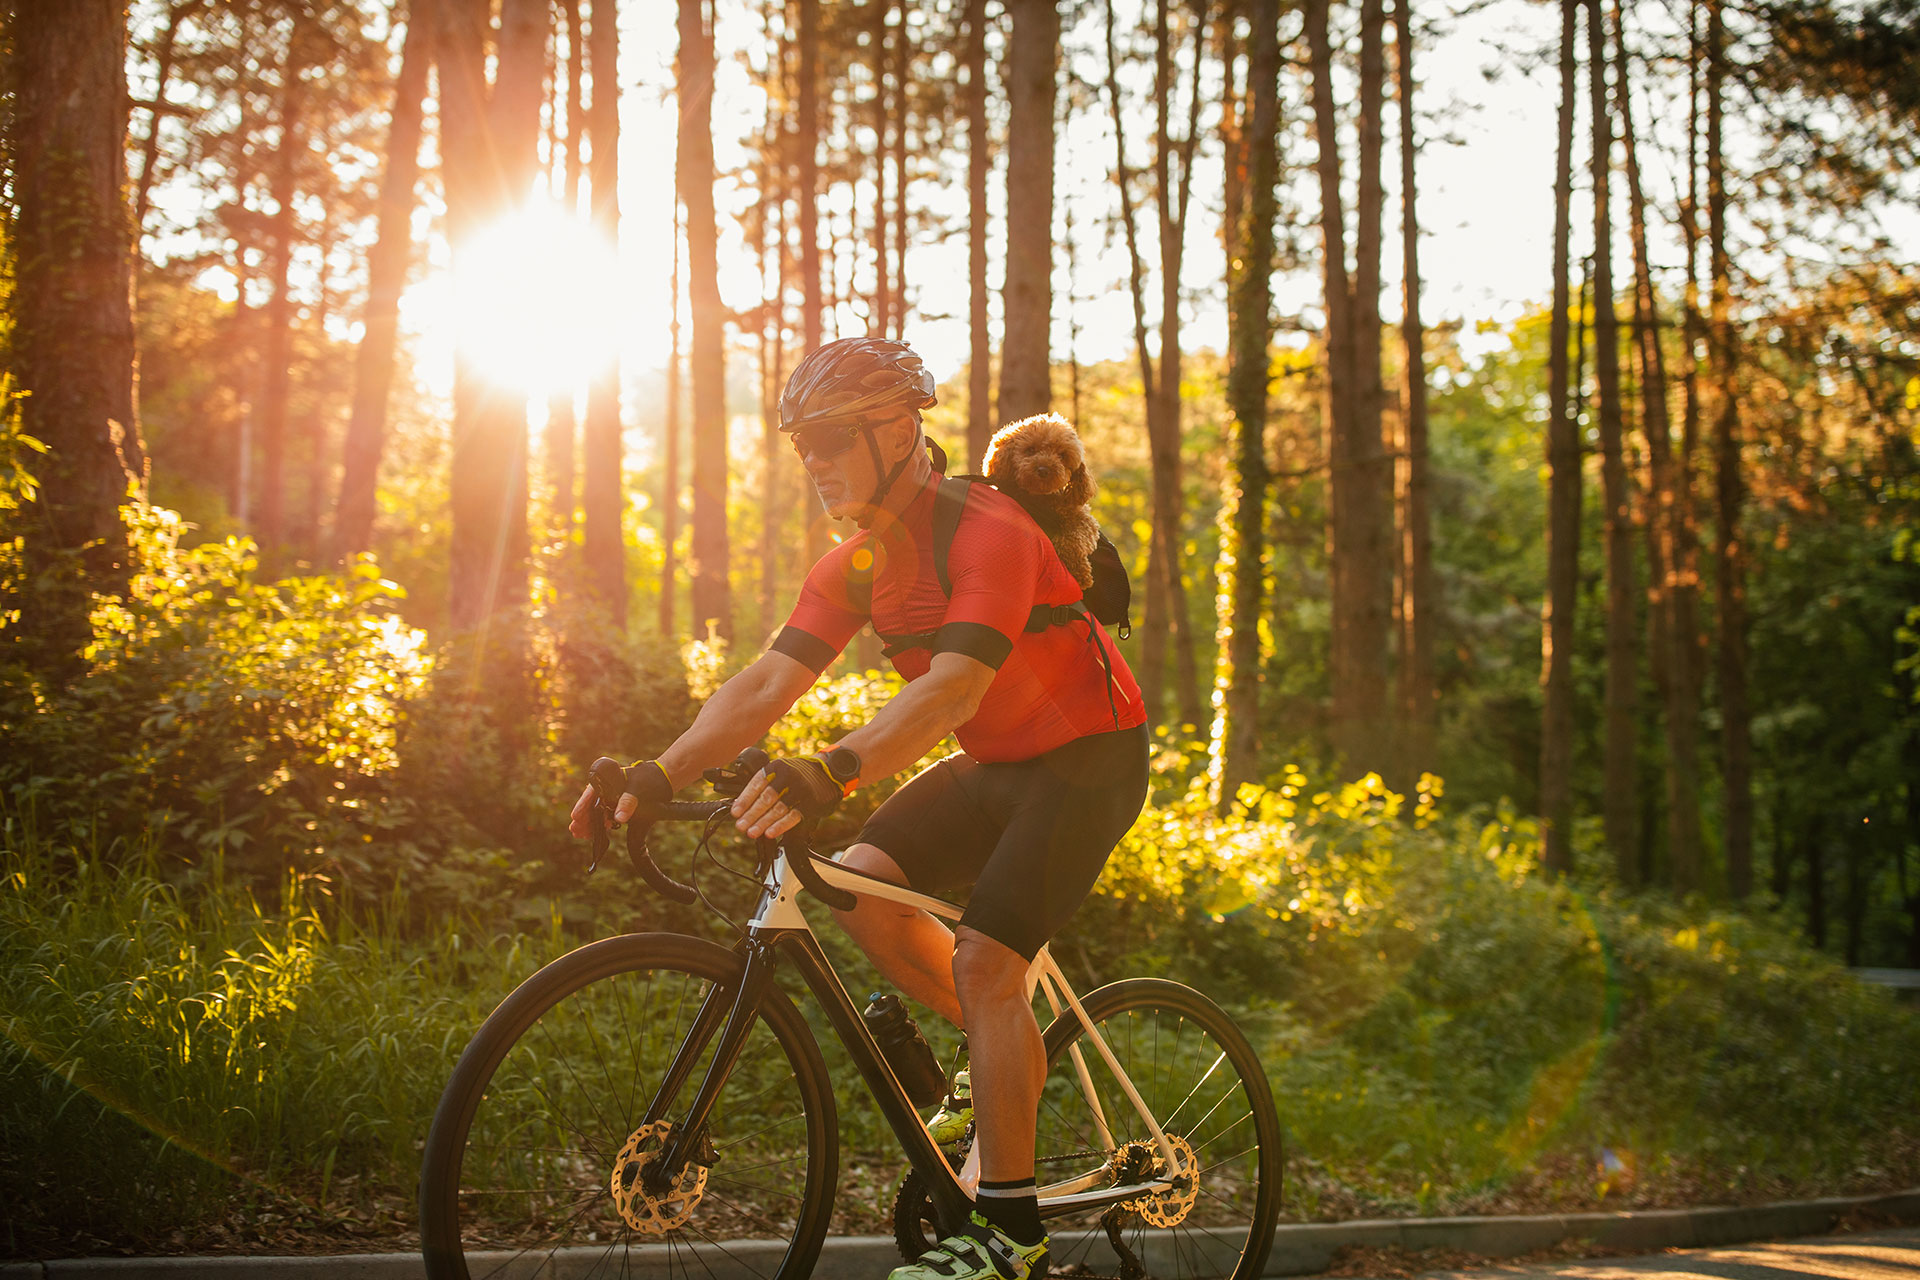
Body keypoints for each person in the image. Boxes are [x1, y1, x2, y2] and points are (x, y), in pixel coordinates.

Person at [568, 336, 1149, 1280]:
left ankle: (1010, 1238)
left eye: (833, 439)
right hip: (998, 765)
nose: (817, 463)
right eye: (804, 446)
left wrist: (830, 770)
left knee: (988, 960)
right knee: (861, 887)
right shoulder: (859, 564)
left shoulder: (992, 529)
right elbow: (762, 685)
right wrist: (653, 777)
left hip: (1088, 762)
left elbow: (953, 689)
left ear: (897, 430)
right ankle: (1000, 1062)